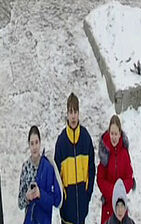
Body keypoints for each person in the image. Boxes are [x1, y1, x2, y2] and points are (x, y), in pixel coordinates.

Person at [54, 92, 95, 224]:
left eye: (75, 112)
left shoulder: (85, 138)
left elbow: (91, 170)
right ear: (67, 113)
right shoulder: (61, 142)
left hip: (82, 210)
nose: (73, 116)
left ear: (79, 113)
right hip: (67, 212)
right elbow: (56, 176)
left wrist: (87, 195)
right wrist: (63, 198)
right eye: (70, 112)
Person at [17, 125, 62, 224]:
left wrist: (40, 194)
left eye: (36, 142)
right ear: (28, 145)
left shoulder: (47, 166)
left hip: (44, 220)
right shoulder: (26, 167)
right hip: (30, 219)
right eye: (32, 143)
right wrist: (27, 197)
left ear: (40, 142)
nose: (34, 147)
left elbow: (53, 200)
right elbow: (20, 203)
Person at [96, 115, 134, 224]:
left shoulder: (124, 153)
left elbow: (130, 178)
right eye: (111, 134)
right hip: (108, 204)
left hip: (121, 205)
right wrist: (113, 191)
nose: (113, 137)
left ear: (120, 134)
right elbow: (100, 179)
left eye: (116, 134)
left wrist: (120, 190)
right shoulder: (105, 152)